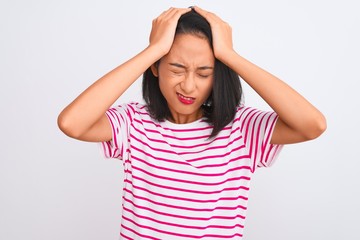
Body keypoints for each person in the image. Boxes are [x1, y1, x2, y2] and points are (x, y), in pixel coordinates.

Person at [58, 6, 326, 240]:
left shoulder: (241, 129)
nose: (188, 85)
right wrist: (153, 50)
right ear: (155, 67)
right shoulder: (133, 123)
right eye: (176, 69)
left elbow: (313, 124)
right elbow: (72, 123)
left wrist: (230, 56)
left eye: (204, 73)